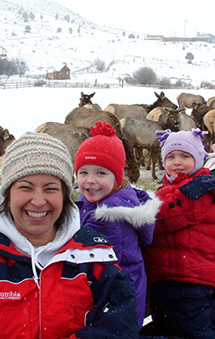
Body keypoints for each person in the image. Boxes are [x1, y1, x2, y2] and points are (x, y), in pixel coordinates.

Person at [0, 131, 140, 339]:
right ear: (7, 194)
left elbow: (120, 323)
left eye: (50, 188)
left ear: (66, 195)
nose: (38, 201)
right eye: (26, 187)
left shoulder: (93, 257)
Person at [74, 121, 161, 329]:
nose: (90, 181)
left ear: (117, 176)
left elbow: (95, 270)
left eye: (101, 173)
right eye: (83, 172)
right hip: (121, 299)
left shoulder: (109, 218)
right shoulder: (97, 201)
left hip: (116, 305)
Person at [142, 128, 215, 339]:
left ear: (200, 159)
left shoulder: (198, 188)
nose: (177, 162)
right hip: (172, 278)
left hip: (190, 281)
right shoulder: (170, 188)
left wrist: (137, 214)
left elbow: (163, 217)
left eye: (185, 156)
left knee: (192, 331)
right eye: (171, 157)